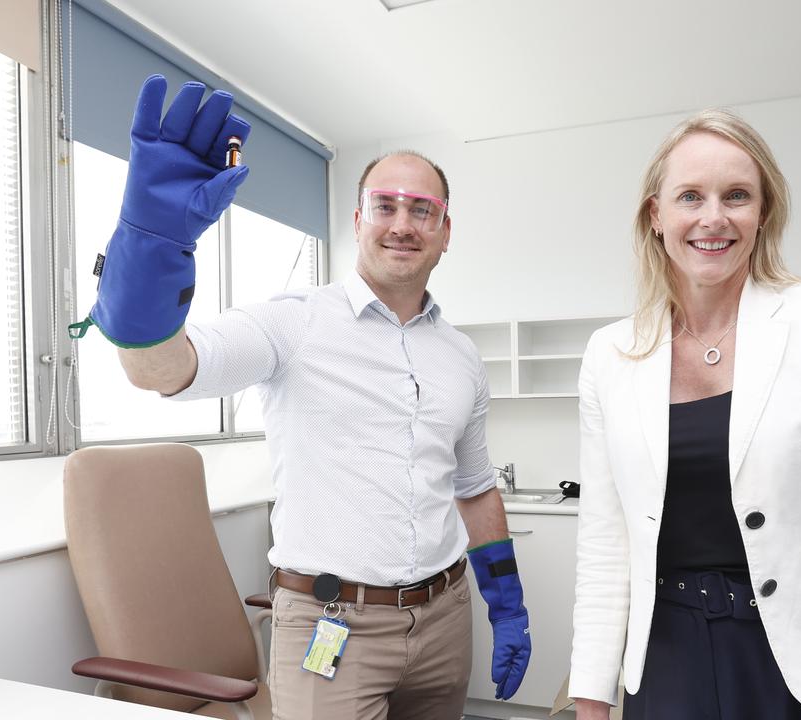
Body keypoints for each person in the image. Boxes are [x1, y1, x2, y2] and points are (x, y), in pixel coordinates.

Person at [75, 74, 531, 720]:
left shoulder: (460, 356)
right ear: (358, 220)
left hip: (444, 624)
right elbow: (161, 370)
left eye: (421, 210)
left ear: (445, 231)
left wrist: (506, 601)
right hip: (332, 629)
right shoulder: (296, 323)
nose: (403, 224)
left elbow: (476, 485)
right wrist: (151, 252)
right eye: (385, 206)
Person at [567, 109, 801, 720]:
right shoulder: (612, 353)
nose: (714, 217)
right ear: (657, 216)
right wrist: (591, 692)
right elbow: (606, 537)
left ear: (763, 213)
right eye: (690, 196)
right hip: (671, 652)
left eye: (737, 196)